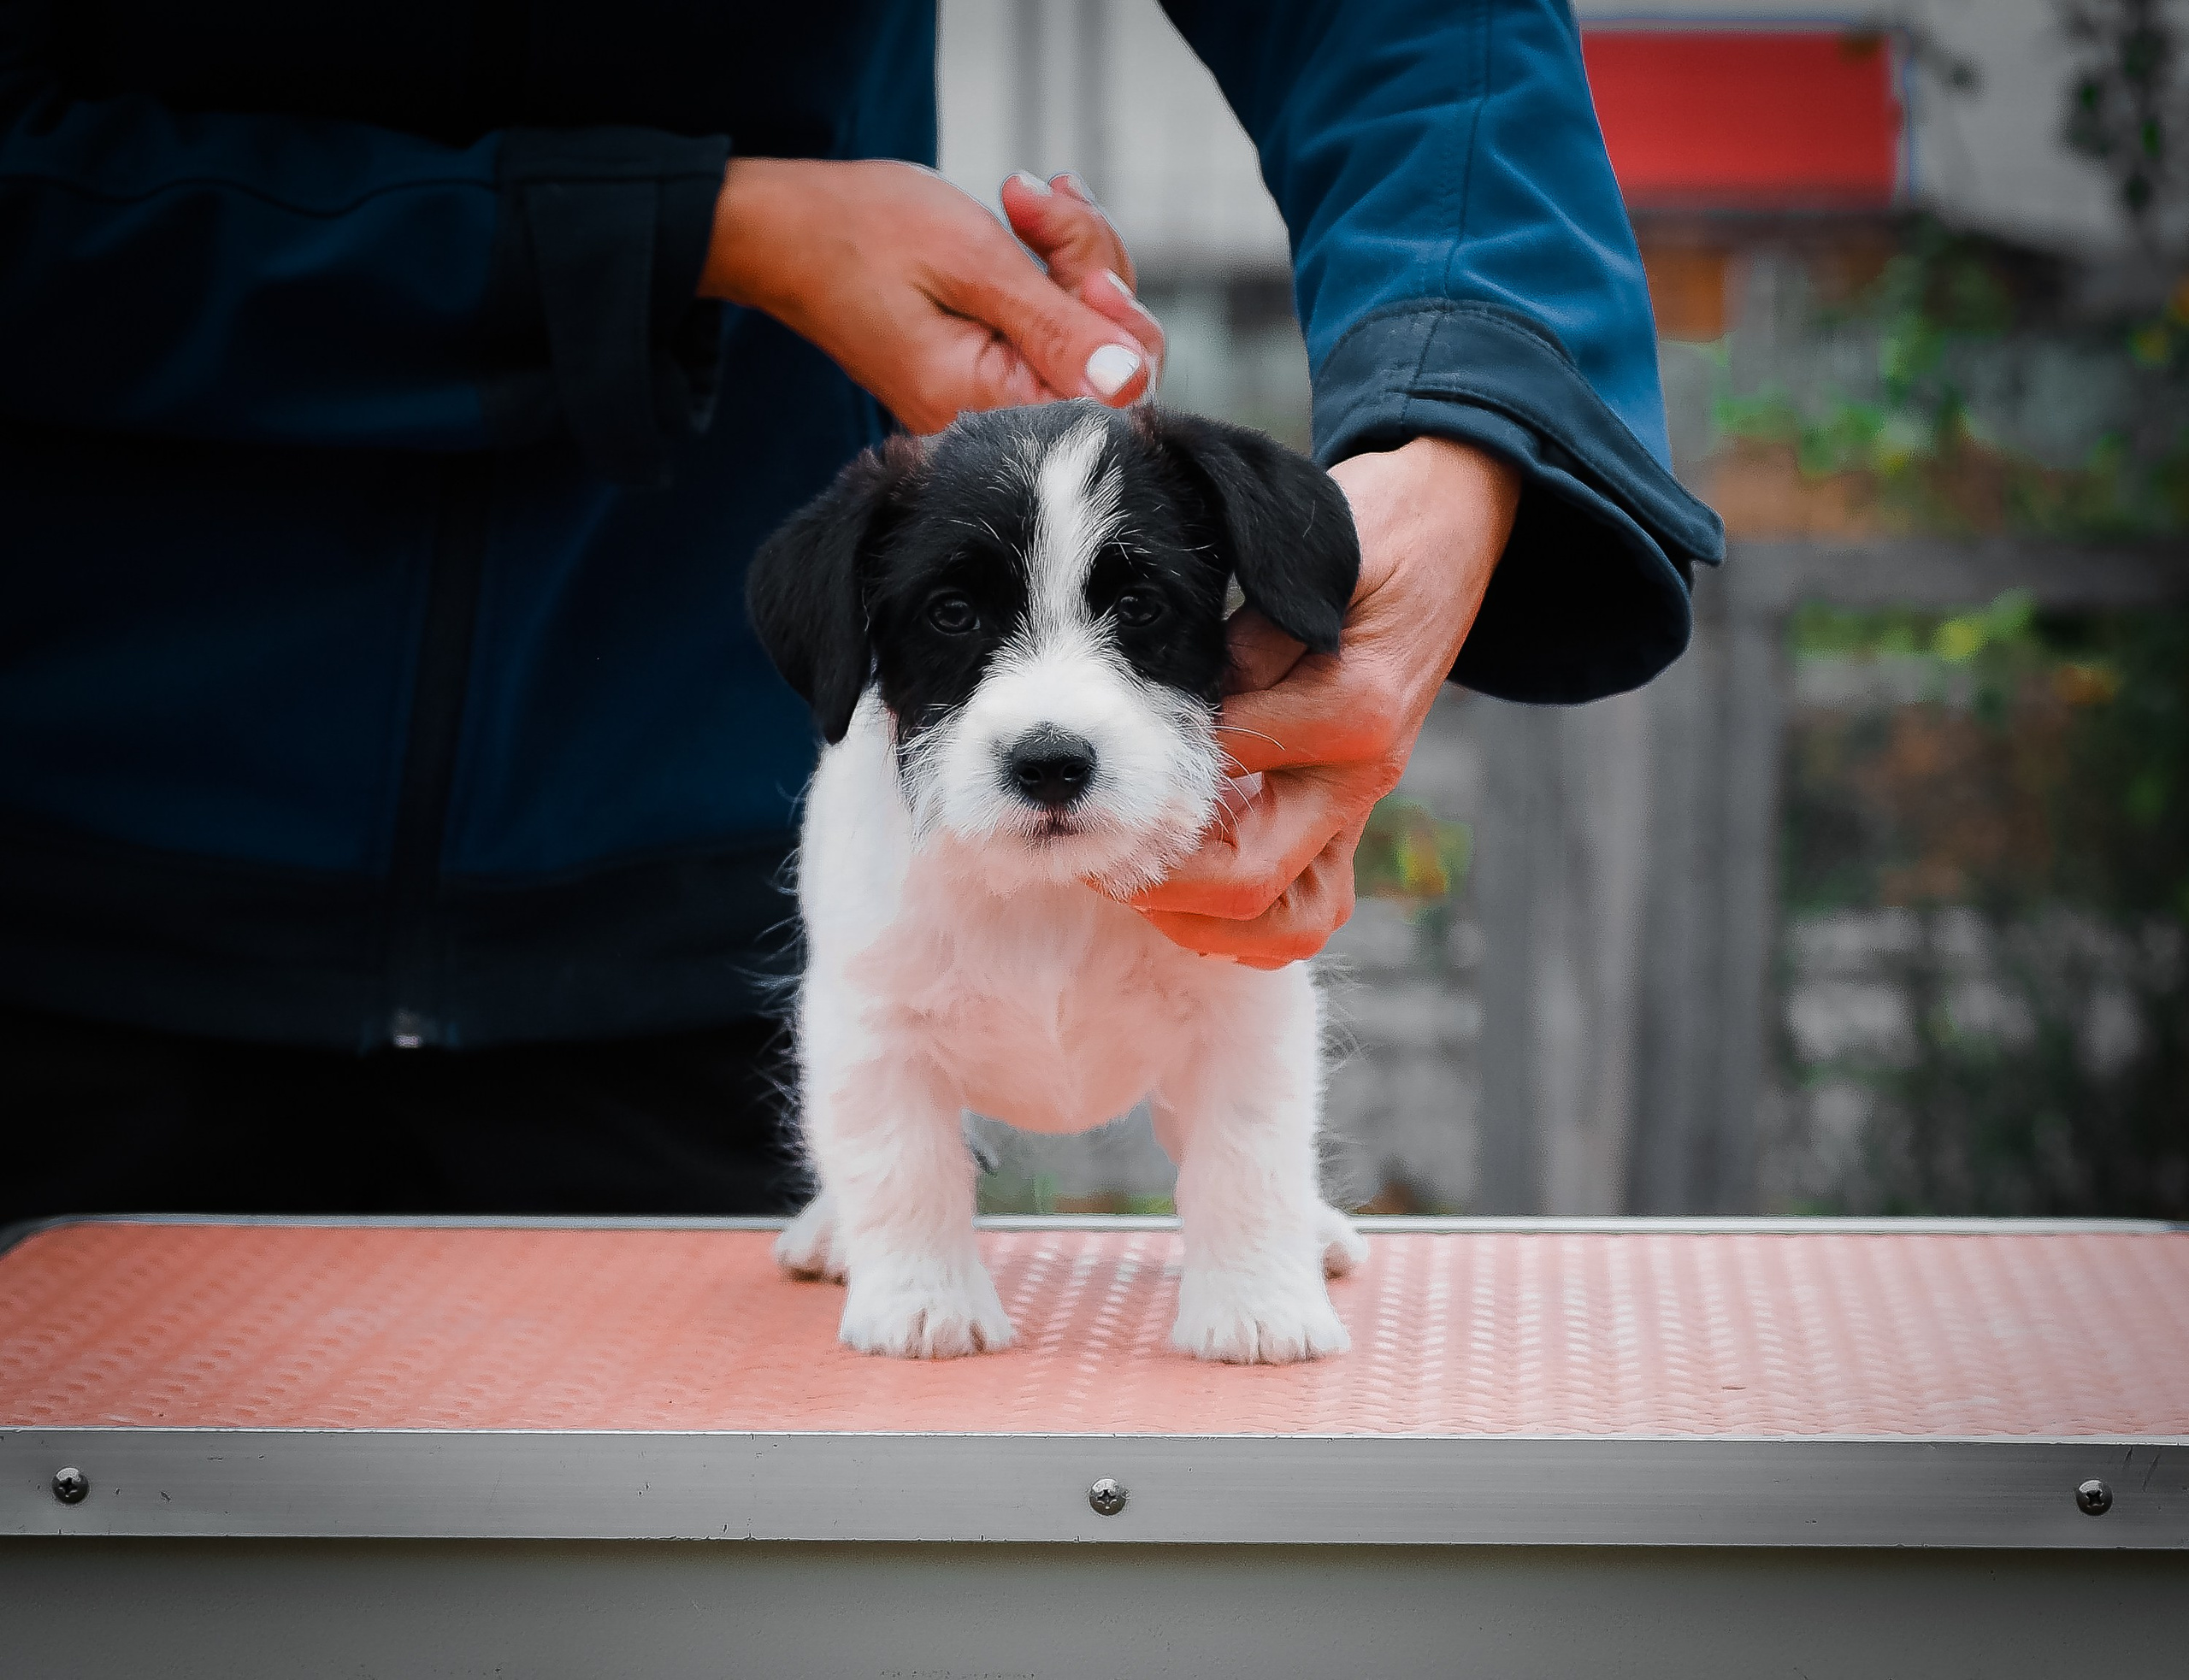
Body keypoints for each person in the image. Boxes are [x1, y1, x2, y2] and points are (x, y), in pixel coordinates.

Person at [0, 2, 1722, 1223]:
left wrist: (1462, 393)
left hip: (691, 924)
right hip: (67, 900)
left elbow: (1409, 28)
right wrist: (697, 230)